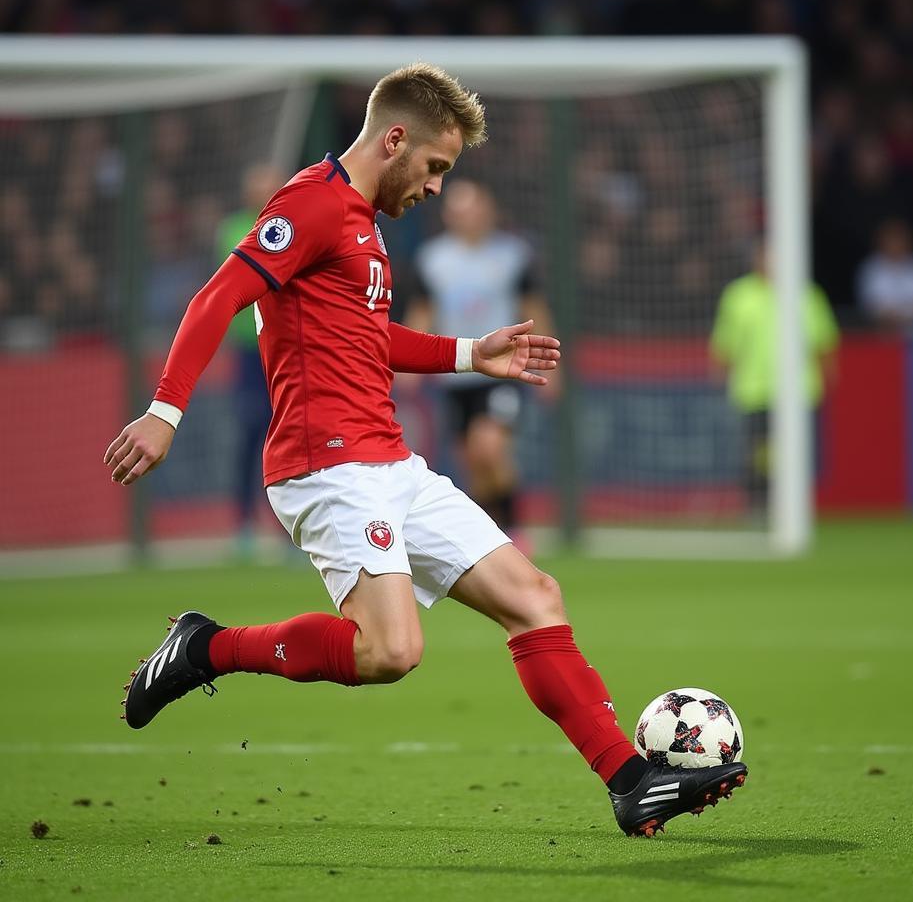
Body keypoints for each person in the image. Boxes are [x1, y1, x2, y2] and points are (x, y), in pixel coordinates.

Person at [104, 63, 746, 838]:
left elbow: (369, 337)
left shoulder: (365, 222)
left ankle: (630, 781)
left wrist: (475, 353)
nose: (439, 188)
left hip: (390, 462)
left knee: (534, 597)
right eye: (436, 167)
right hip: (326, 467)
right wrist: (164, 410)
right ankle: (208, 648)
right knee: (391, 651)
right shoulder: (309, 204)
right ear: (395, 139)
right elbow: (217, 297)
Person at [404, 178, 556, 549]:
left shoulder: (512, 255)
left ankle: (514, 529)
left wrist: (552, 365)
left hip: (502, 370)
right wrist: (405, 366)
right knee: (473, 460)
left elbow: (533, 308)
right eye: (457, 210)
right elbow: (423, 311)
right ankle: (493, 534)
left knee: (489, 446)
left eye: (472, 208)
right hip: (457, 372)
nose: (465, 216)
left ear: (488, 211)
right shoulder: (433, 259)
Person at [710, 240, 839, 509]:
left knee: (795, 455)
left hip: (800, 390)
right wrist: (719, 376)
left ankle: (794, 508)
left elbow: (825, 342)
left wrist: (829, 377)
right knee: (758, 454)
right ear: (755, 260)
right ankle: (757, 506)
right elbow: (724, 344)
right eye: (766, 257)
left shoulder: (807, 294)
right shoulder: (738, 295)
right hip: (754, 390)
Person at [216, 164, 284, 553]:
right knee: (248, 433)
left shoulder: (293, 222)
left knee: (282, 430)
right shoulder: (232, 230)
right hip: (248, 352)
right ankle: (243, 523)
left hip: (281, 351)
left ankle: (285, 527)